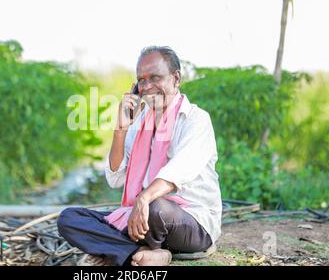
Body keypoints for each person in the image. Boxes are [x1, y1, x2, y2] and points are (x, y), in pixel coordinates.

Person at [57, 46, 222, 266]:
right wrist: (121, 128)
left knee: (156, 206)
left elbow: (178, 172)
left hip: (190, 222)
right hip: (141, 217)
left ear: (176, 78)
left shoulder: (196, 120)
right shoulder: (138, 125)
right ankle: (148, 251)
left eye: (155, 78)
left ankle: (123, 250)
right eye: (141, 81)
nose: (147, 87)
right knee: (70, 219)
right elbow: (115, 178)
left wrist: (144, 198)